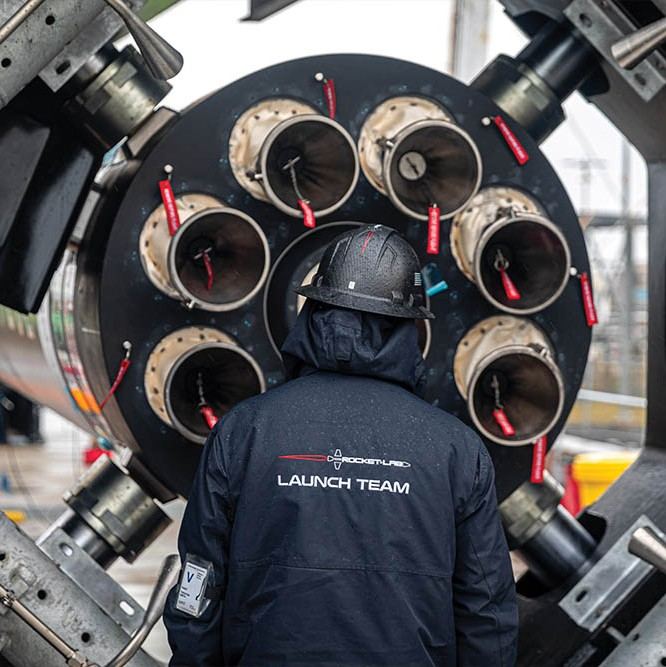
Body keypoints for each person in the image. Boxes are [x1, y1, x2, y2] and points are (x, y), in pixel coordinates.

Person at [164, 224, 518, 666]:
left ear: (312, 312)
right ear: (408, 328)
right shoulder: (456, 451)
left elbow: (199, 582)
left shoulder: (244, 432)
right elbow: (487, 608)